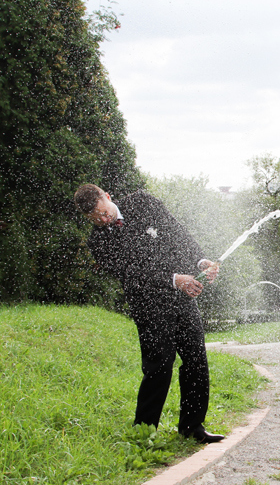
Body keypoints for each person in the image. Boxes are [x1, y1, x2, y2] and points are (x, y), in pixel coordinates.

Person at [74, 184, 225, 443]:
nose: (103, 219)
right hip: (147, 305)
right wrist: (175, 278)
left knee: (196, 360)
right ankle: (144, 431)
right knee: (159, 365)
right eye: (95, 218)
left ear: (107, 197)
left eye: (104, 212)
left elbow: (177, 234)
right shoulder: (98, 241)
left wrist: (200, 262)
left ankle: (193, 427)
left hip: (181, 297)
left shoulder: (142, 202)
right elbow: (132, 274)